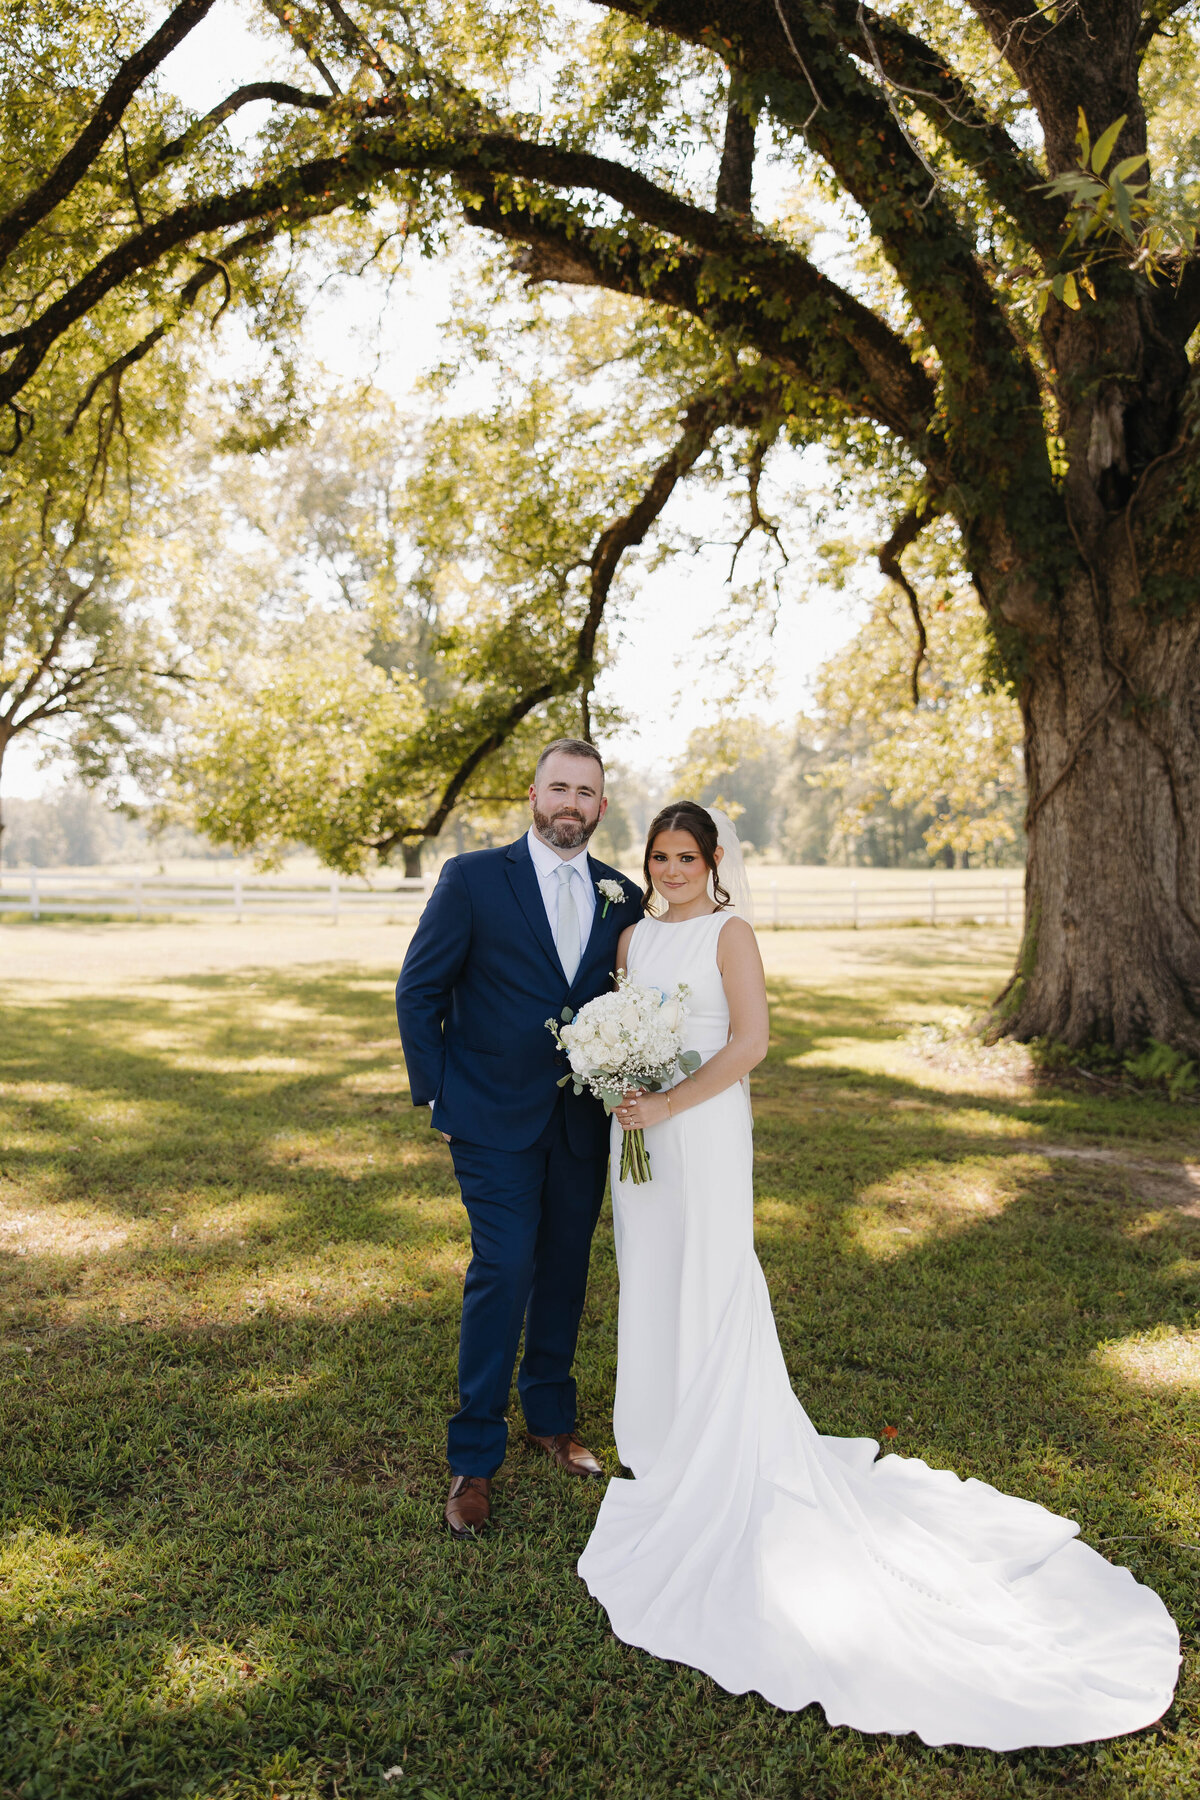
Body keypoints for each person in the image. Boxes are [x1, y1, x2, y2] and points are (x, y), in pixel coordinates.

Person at [577, 800, 1180, 1751]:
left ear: (715, 860)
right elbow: (620, 1023)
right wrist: (622, 1090)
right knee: (649, 1273)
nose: (672, 869)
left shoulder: (731, 933)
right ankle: (655, 1430)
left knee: (711, 1273)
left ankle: (716, 1441)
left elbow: (750, 1044)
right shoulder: (631, 938)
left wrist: (670, 1103)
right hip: (640, 1136)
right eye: (659, 856)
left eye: (686, 856)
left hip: (702, 1126)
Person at [395, 739, 641, 1538]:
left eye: (586, 792)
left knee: (565, 1269)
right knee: (503, 1269)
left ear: (601, 808)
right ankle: (473, 1456)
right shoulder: (473, 879)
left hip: (580, 1121)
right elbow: (419, 988)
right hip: (489, 1118)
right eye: (559, 787)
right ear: (533, 796)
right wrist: (442, 1095)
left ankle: (551, 1419)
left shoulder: (623, 898)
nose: (571, 803)